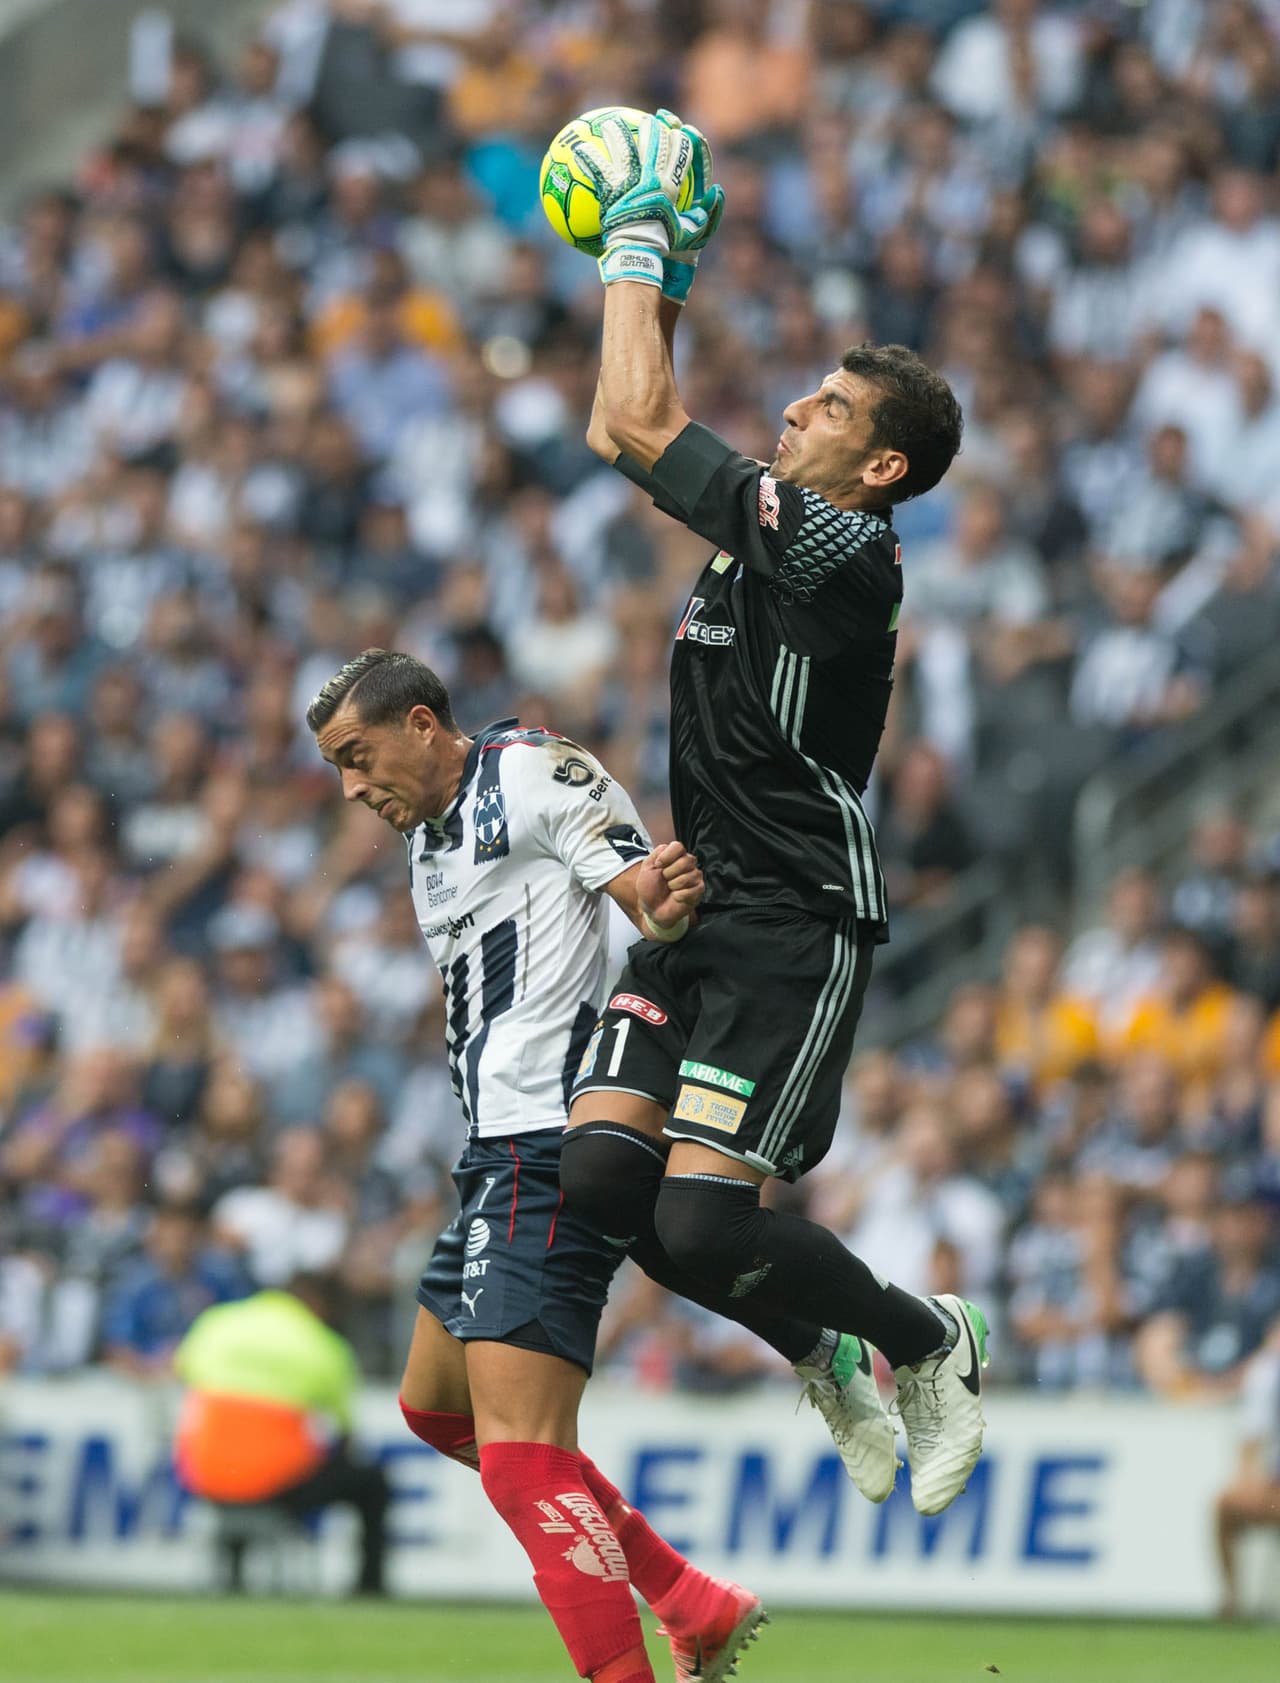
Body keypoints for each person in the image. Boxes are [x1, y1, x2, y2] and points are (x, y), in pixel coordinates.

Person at [556, 110, 987, 1519]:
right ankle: (826, 1353)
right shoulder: (766, 533)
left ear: (880, 470)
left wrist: (633, 233)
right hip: (702, 895)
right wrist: (666, 260)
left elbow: (627, 420)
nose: (796, 408)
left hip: (797, 914)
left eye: (831, 408)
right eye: (807, 391)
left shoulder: (850, 549)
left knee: (698, 1215)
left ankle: (929, 1338)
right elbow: (629, 407)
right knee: (608, 1176)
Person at [310, 648, 880, 1683]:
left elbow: (641, 898)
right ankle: (684, 1598)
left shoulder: (529, 771)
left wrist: (655, 897)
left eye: (358, 757)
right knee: (438, 1411)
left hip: (547, 1142)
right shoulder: (431, 841)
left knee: (523, 1462)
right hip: (492, 1153)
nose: (352, 788)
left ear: (424, 725)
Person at [173, 1273, 391, 1596]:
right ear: (319, 1304)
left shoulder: (217, 1323)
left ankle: (234, 1576)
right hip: (276, 1484)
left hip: (206, 1476)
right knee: (371, 1481)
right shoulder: (324, 1344)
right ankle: (369, 1585)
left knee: (241, 1458)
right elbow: (346, 1433)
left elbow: (182, 1373)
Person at [1215, 1322, 1280, 1619]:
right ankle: (1233, 1601)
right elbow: (1251, 1438)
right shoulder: (1268, 1374)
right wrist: (1247, 1480)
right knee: (1226, 1505)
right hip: (1275, 1485)